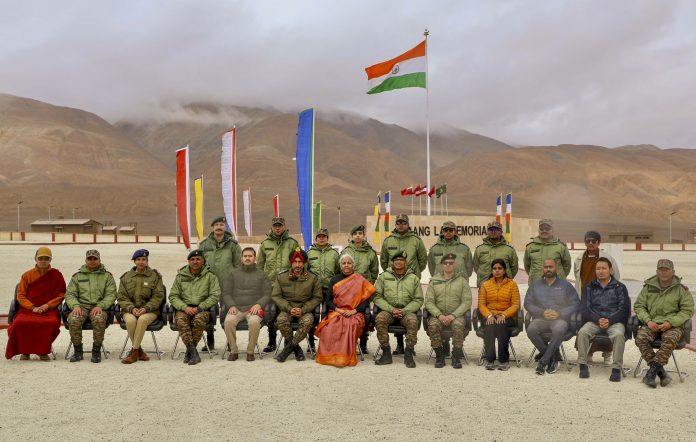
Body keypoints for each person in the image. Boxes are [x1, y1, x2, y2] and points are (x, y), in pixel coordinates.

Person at [634, 259, 694, 388]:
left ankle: (651, 374)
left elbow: (687, 310)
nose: (663, 272)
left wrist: (671, 323)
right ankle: (661, 373)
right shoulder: (648, 288)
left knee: (670, 338)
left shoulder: (681, 290)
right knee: (640, 338)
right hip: (652, 323)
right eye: (661, 270)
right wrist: (648, 321)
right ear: (657, 272)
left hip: (672, 325)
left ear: (673, 272)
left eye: (666, 269)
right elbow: (639, 306)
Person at [5, 247, 65, 361]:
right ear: (35, 259)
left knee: (51, 322)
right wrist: (33, 308)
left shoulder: (56, 275)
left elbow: (61, 294)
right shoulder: (27, 275)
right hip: (27, 309)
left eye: (46, 258)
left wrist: (47, 305)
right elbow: (20, 295)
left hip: (49, 310)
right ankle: (25, 351)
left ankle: (42, 351)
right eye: (40, 258)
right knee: (19, 322)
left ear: (50, 260)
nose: (43, 261)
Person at [315, 254, 375, 367]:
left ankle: (345, 356)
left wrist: (354, 311)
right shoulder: (334, 279)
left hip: (355, 313)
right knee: (329, 327)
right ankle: (330, 356)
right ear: (340, 265)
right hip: (337, 312)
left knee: (350, 325)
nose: (346, 265)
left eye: (349, 263)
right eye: (344, 263)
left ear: (353, 265)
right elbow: (328, 300)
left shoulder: (360, 279)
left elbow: (367, 301)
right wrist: (338, 310)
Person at [379, 213, 427, 355]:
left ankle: (409, 348)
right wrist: (392, 273)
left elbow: (423, 260)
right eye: (398, 222)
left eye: (404, 223)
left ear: (408, 224)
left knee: (408, 310)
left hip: (409, 279)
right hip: (393, 279)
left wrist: (412, 273)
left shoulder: (416, 240)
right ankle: (399, 344)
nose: (401, 225)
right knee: (394, 303)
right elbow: (384, 261)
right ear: (395, 224)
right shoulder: (388, 241)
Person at [576, 258, 630, 382]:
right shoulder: (589, 287)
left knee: (618, 335)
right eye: (598, 269)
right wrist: (597, 319)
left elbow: (624, 309)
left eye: (604, 268)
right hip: (595, 320)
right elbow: (585, 308)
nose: (600, 271)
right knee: (582, 332)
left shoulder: (620, 287)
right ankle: (583, 365)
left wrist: (610, 320)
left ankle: (616, 368)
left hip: (614, 321)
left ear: (610, 270)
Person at [524, 259, 579, 375]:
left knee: (559, 329)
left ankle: (543, 361)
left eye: (551, 267)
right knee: (531, 330)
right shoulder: (535, 285)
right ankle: (552, 358)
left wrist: (560, 313)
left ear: (556, 269)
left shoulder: (566, 285)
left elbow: (575, 304)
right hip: (540, 319)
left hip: (560, 320)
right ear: (542, 269)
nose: (548, 269)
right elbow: (528, 303)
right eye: (546, 267)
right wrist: (542, 312)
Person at [573, 230, 621, 364]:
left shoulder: (607, 258)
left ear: (599, 242)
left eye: (593, 241)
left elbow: (616, 275)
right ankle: (587, 353)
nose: (590, 243)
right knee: (585, 325)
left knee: (606, 323)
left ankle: (607, 353)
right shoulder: (579, 259)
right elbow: (578, 277)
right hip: (586, 298)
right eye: (587, 241)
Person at [169, 250, 221, 365]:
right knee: (181, 321)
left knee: (198, 321)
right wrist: (185, 307)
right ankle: (193, 352)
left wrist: (200, 307)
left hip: (202, 309)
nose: (195, 262)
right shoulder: (181, 276)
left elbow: (215, 295)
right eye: (192, 259)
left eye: (198, 259)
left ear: (203, 261)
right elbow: (173, 296)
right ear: (188, 262)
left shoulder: (210, 276)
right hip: (184, 308)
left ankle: (190, 353)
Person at [64, 249, 117, 363]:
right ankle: (78, 351)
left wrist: (101, 306)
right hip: (81, 306)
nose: (92, 261)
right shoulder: (77, 276)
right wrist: (75, 306)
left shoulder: (107, 276)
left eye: (95, 259)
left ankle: (96, 351)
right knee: (74, 319)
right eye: (90, 259)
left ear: (99, 260)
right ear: (86, 260)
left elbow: (111, 294)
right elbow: (70, 294)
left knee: (98, 318)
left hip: (99, 306)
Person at [198, 215, 242, 350]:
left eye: (221, 225)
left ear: (225, 227)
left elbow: (239, 266)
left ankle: (230, 342)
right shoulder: (204, 245)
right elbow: (198, 265)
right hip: (208, 286)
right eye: (216, 225)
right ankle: (210, 340)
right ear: (213, 227)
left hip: (227, 286)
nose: (219, 227)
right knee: (207, 312)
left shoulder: (233, 245)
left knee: (228, 313)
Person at [373, 251, 423, 368]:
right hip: (388, 311)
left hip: (407, 312)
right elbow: (377, 296)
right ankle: (386, 353)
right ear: (392, 262)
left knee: (413, 321)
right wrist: (391, 309)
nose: (398, 262)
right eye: (396, 260)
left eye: (401, 260)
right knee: (380, 319)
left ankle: (408, 354)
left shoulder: (413, 278)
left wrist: (404, 311)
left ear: (406, 262)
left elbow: (418, 299)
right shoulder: (384, 277)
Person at [257, 217, 300, 352]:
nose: (277, 228)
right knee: (271, 313)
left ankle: (288, 341)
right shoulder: (265, 244)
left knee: (286, 312)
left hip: (288, 285)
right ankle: (272, 342)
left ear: (284, 227)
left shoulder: (293, 243)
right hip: (270, 285)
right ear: (272, 227)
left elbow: (299, 262)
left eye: (280, 226)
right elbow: (260, 266)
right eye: (275, 226)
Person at [221, 247, 272, 362]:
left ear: (255, 258)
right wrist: (231, 305)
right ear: (241, 258)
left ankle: (250, 352)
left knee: (254, 322)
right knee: (228, 322)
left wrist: (259, 304)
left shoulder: (262, 274)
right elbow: (226, 293)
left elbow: (267, 294)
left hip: (253, 309)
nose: (247, 258)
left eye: (250, 256)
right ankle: (233, 351)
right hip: (236, 308)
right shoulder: (233, 273)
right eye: (245, 256)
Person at [272, 248, 323, 363]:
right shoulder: (281, 277)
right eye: (295, 262)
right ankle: (297, 349)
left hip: (305, 310)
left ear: (304, 263)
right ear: (291, 263)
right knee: (281, 320)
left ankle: (288, 349)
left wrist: (303, 309)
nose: (297, 265)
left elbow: (317, 297)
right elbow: (276, 296)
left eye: (300, 262)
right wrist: (289, 309)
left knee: (307, 321)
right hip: (287, 309)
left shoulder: (313, 278)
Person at [117, 249, 165, 364]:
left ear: (147, 261)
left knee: (142, 320)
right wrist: (132, 308)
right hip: (129, 310)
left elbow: (158, 296)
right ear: (134, 261)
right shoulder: (126, 277)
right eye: (138, 259)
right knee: (130, 321)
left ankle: (134, 353)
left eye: (144, 259)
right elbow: (121, 297)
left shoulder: (155, 276)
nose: (141, 262)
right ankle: (139, 351)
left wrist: (146, 308)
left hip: (150, 311)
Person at [425, 253, 472, 369]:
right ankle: (439, 355)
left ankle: (456, 356)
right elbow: (429, 302)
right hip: (438, 316)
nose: (448, 265)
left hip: (456, 316)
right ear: (442, 265)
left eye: (450, 263)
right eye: (445, 263)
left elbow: (466, 301)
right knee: (433, 325)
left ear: (454, 265)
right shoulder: (434, 281)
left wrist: (453, 315)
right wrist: (439, 315)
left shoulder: (462, 281)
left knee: (458, 325)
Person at [341, 224, 379, 354]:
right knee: (347, 315)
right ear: (352, 236)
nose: (358, 236)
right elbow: (340, 269)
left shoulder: (370, 253)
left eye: (360, 233)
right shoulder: (346, 251)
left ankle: (363, 343)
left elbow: (374, 272)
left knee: (365, 315)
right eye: (355, 233)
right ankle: (347, 342)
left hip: (363, 291)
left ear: (364, 236)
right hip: (347, 291)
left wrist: (367, 286)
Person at [477, 258, 520, 371]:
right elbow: (481, 304)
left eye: (500, 268)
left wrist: (504, 315)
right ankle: (490, 359)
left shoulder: (512, 285)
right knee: (490, 325)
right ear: (491, 270)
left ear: (504, 270)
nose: (497, 271)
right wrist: (489, 316)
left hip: (507, 317)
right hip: (489, 316)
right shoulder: (485, 285)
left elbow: (515, 305)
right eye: (494, 268)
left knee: (501, 325)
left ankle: (503, 360)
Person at [306, 228, 340, 352]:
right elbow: (306, 271)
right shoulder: (309, 253)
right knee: (313, 315)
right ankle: (311, 342)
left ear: (327, 238)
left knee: (328, 316)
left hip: (328, 289)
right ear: (316, 238)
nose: (321, 239)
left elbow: (338, 272)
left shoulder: (334, 254)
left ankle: (326, 342)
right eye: (319, 236)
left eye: (324, 237)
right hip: (313, 290)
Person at [523, 219, 572, 285]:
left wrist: (559, 277)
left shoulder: (561, 247)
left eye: (547, 228)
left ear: (552, 230)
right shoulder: (530, 247)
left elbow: (567, 266)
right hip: (536, 285)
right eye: (542, 228)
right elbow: (527, 266)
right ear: (538, 230)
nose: (544, 231)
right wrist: (535, 276)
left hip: (556, 284)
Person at [473, 221, 519, 287]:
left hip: (504, 286)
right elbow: (476, 267)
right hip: (485, 285)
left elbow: (514, 268)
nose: (493, 231)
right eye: (490, 229)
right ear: (487, 232)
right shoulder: (479, 249)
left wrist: (506, 278)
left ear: (501, 232)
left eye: (496, 229)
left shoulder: (509, 249)